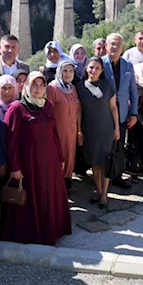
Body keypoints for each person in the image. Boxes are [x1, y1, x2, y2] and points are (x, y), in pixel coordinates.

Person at [3, 72, 72, 245]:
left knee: (49, 194)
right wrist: (15, 167)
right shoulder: (17, 108)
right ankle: (33, 235)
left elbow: (54, 132)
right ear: (26, 86)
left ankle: (50, 231)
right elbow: (11, 141)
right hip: (29, 164)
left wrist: (60, 156)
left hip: (50, 161)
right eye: (34, 84)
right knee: (33, 197)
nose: (38, 89)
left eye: (42, 85)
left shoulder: (47, 105)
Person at [76, 57, 120, 208]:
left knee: (105, 162)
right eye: (91, 67)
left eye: (97, 68)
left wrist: (117, 128)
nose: (93, 71)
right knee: (95, 162)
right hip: (89, 130)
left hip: (106, 129)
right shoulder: (80, 86)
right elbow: (79, 110)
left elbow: (114, 108)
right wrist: (79, 131)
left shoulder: (108, 85)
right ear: (86, 68)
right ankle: (99, 191)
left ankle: (105, 195)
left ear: (102, 70)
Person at [103, 33, 138, 188]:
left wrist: (134, 113)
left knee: (119, 145)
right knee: (104, 146)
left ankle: (117, 175)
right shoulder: (100, 63)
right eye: (112, 43)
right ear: (106, 46)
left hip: (123, 112)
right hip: (104, 113)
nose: (115, 47)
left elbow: (133, 92)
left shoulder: (128, 65)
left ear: (122, 47)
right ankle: (103, 178)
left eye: (118, 44)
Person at [47, 60, 81, 189]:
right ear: (59, 72)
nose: (67, 74)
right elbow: (48, 112)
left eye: (70, 71)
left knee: (70, 155)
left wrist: (79, 130)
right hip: (58, 132)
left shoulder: (72, 89)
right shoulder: (52, 88)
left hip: (72, 131)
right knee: (59, 157)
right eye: (64, 71)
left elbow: (78, 110)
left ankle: (67, 181)